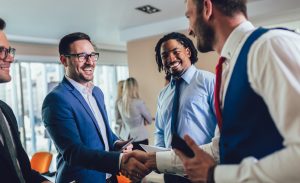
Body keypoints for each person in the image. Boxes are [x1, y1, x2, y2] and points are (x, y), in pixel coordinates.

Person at [173, 0, 300, 182]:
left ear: (207, 9)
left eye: (189, 16)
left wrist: (215, 176)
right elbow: (223, 147)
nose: (189, 30)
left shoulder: (268, 47)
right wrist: (153, 160)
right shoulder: (229, 67)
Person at [42, 32, 149, 183]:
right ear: (64, 60)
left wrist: (118, 143)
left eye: (92, 55)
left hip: (109, 178)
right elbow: (74, 153)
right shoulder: (56, 99)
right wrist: (120, 160)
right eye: (82, 56)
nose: (90, 62)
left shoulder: (97, 93)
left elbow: (104, 132)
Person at [154, 32, 217, 182]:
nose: (170, 59)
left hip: (202, 169)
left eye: (176, 52)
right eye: (164, 55)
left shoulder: (209, 81)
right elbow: (160, 131)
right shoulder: (163, 94)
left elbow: (222, 125)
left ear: (187, 51)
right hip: (171, 172)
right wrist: (161, 159)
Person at [0, 18, 52, 183]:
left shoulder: (5, 111)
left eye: (10, 51)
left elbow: (22, 171)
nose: (10, 58)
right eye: (1, 51)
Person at [117, 77, 152, 151]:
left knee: (133, 161)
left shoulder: (120, 103)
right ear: (135, 88)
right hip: (141, 138)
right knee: (143, 161)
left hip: (128, 138)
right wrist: (143, 119)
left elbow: (122, 120)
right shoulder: (138, 102)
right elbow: (149, 120)